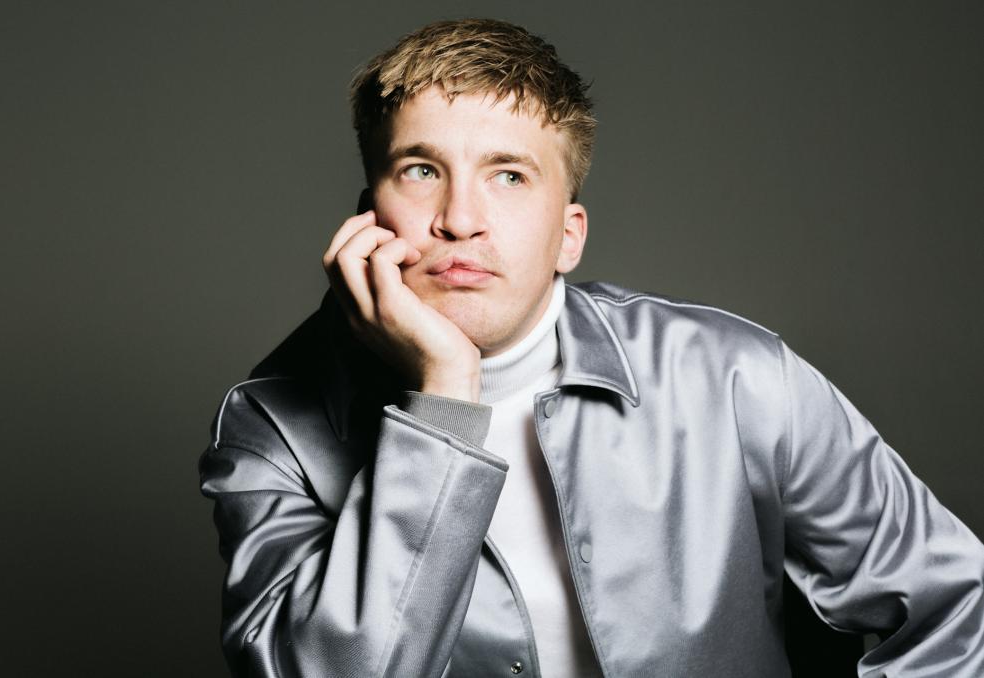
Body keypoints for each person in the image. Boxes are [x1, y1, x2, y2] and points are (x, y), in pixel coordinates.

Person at [198, 18, 984, 678]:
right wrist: (443, 399)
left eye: (508, 176)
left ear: (568, 235)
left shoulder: (734, 379)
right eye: (420, 169)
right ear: (368, 213)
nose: (459, 218)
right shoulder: (273, 427)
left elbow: (957, 607)